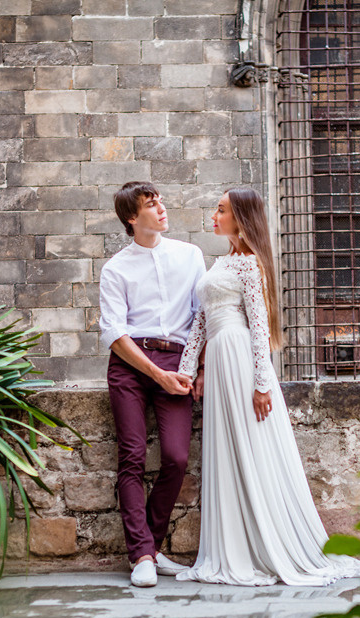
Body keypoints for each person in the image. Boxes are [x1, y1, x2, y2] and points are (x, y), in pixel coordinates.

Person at [175, 187, 360, 586]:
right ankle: (235, 545)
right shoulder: (220, 263)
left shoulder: (250, 265)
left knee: (250, 443)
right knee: (225, 448)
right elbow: (201, 320)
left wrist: (263, 384)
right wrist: (189, 370)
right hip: (217, 361)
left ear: (241, 218)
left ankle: (267, 545)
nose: (214, 215)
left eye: (221, 210)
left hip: (239, 359)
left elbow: (260, 327)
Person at [99, 181, 206, 587]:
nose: (161, 209)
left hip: (177, 360)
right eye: (150, 204)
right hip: (129, 363)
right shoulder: (116, 269)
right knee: (132, 457)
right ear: (132, 217)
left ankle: (153, 546)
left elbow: (202, 316)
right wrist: (154, 373)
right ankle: (141, 554)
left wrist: (196, 368)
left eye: (160, 200)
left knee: (177, 457)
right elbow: (114, 332)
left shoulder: (189, 255)